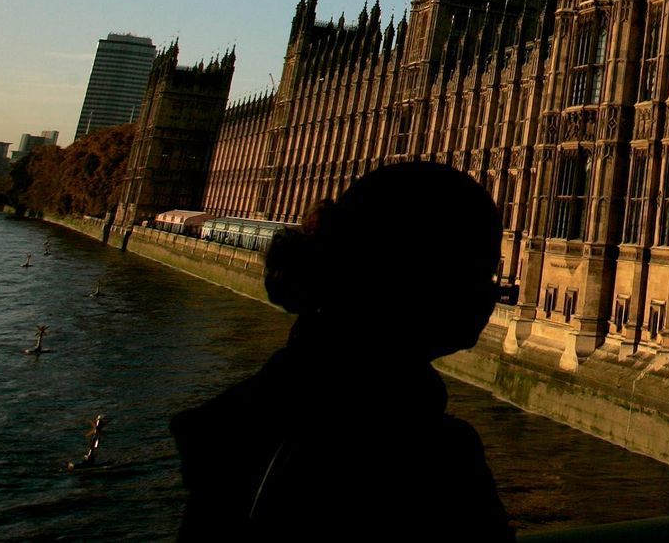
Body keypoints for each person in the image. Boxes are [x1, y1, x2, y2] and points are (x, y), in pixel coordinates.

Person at [172, 162, 512, 540]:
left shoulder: (251, 416)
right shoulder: (432, 456)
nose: (492, 292)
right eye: (481, 271)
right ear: (414, 277)